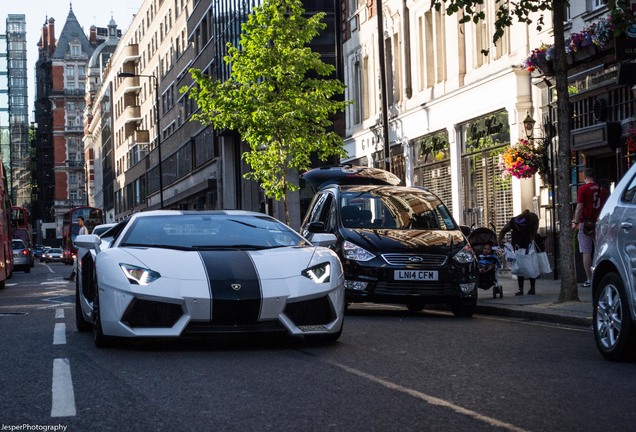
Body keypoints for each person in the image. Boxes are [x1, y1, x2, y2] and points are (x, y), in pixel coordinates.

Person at [572, 168, 608, 288]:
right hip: (600, 223)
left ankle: (589, 278)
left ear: (584, 176)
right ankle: (602, 276)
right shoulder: (602, 189)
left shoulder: (582, 189)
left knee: (586, 251)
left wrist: (575, 221)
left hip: (586, 223)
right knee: (600, 250)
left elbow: (580, 206)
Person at [498, 209, 539, 296]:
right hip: (523, 246)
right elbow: (503, 230)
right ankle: (527, 288)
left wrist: (500, 239)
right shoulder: (518, 221)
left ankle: (526, 289)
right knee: (525, 266)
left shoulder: (523, 221)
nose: (520, 228)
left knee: (525, 266)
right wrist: (500, 239)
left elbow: (504, 230)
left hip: (523, 246)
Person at [64, 216, 88, 282]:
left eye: (79, 220)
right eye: (77, 221)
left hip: (82, 250)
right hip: (80, 249)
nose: (78, 222)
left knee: (77, 264)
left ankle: (73, 277)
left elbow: (84, 239)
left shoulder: (84, 229)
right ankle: (72, 276)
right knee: (76, 263)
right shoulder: (81, 229)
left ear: (83, 221)